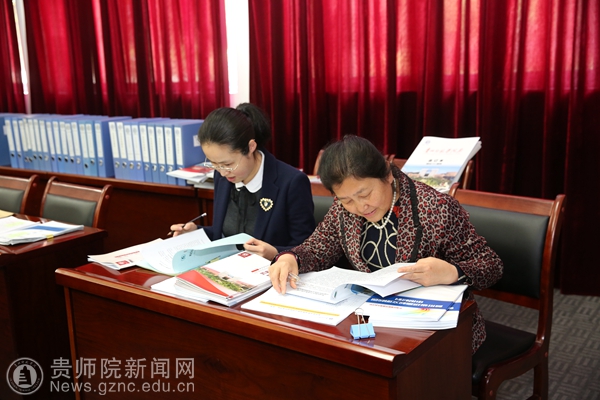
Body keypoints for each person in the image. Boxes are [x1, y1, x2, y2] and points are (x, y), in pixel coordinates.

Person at [269, 135, 503, 353]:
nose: (360, 207)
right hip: (372, 320)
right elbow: (318, 248)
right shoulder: (343, 210)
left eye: (365, 194)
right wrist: (291, 257)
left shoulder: (435, 208)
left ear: (388, 175)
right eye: (347, 200)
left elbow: (490, 266)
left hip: (434, 328)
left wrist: (453, 272)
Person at [170, 103, 315, 261]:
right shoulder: (222, 177)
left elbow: (308, 250)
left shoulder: (291, 182)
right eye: (214, 164)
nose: (222, 172)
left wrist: (275, 253)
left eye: (228, 164)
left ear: (251, 147)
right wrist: (196, 232)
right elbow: (228, 234)